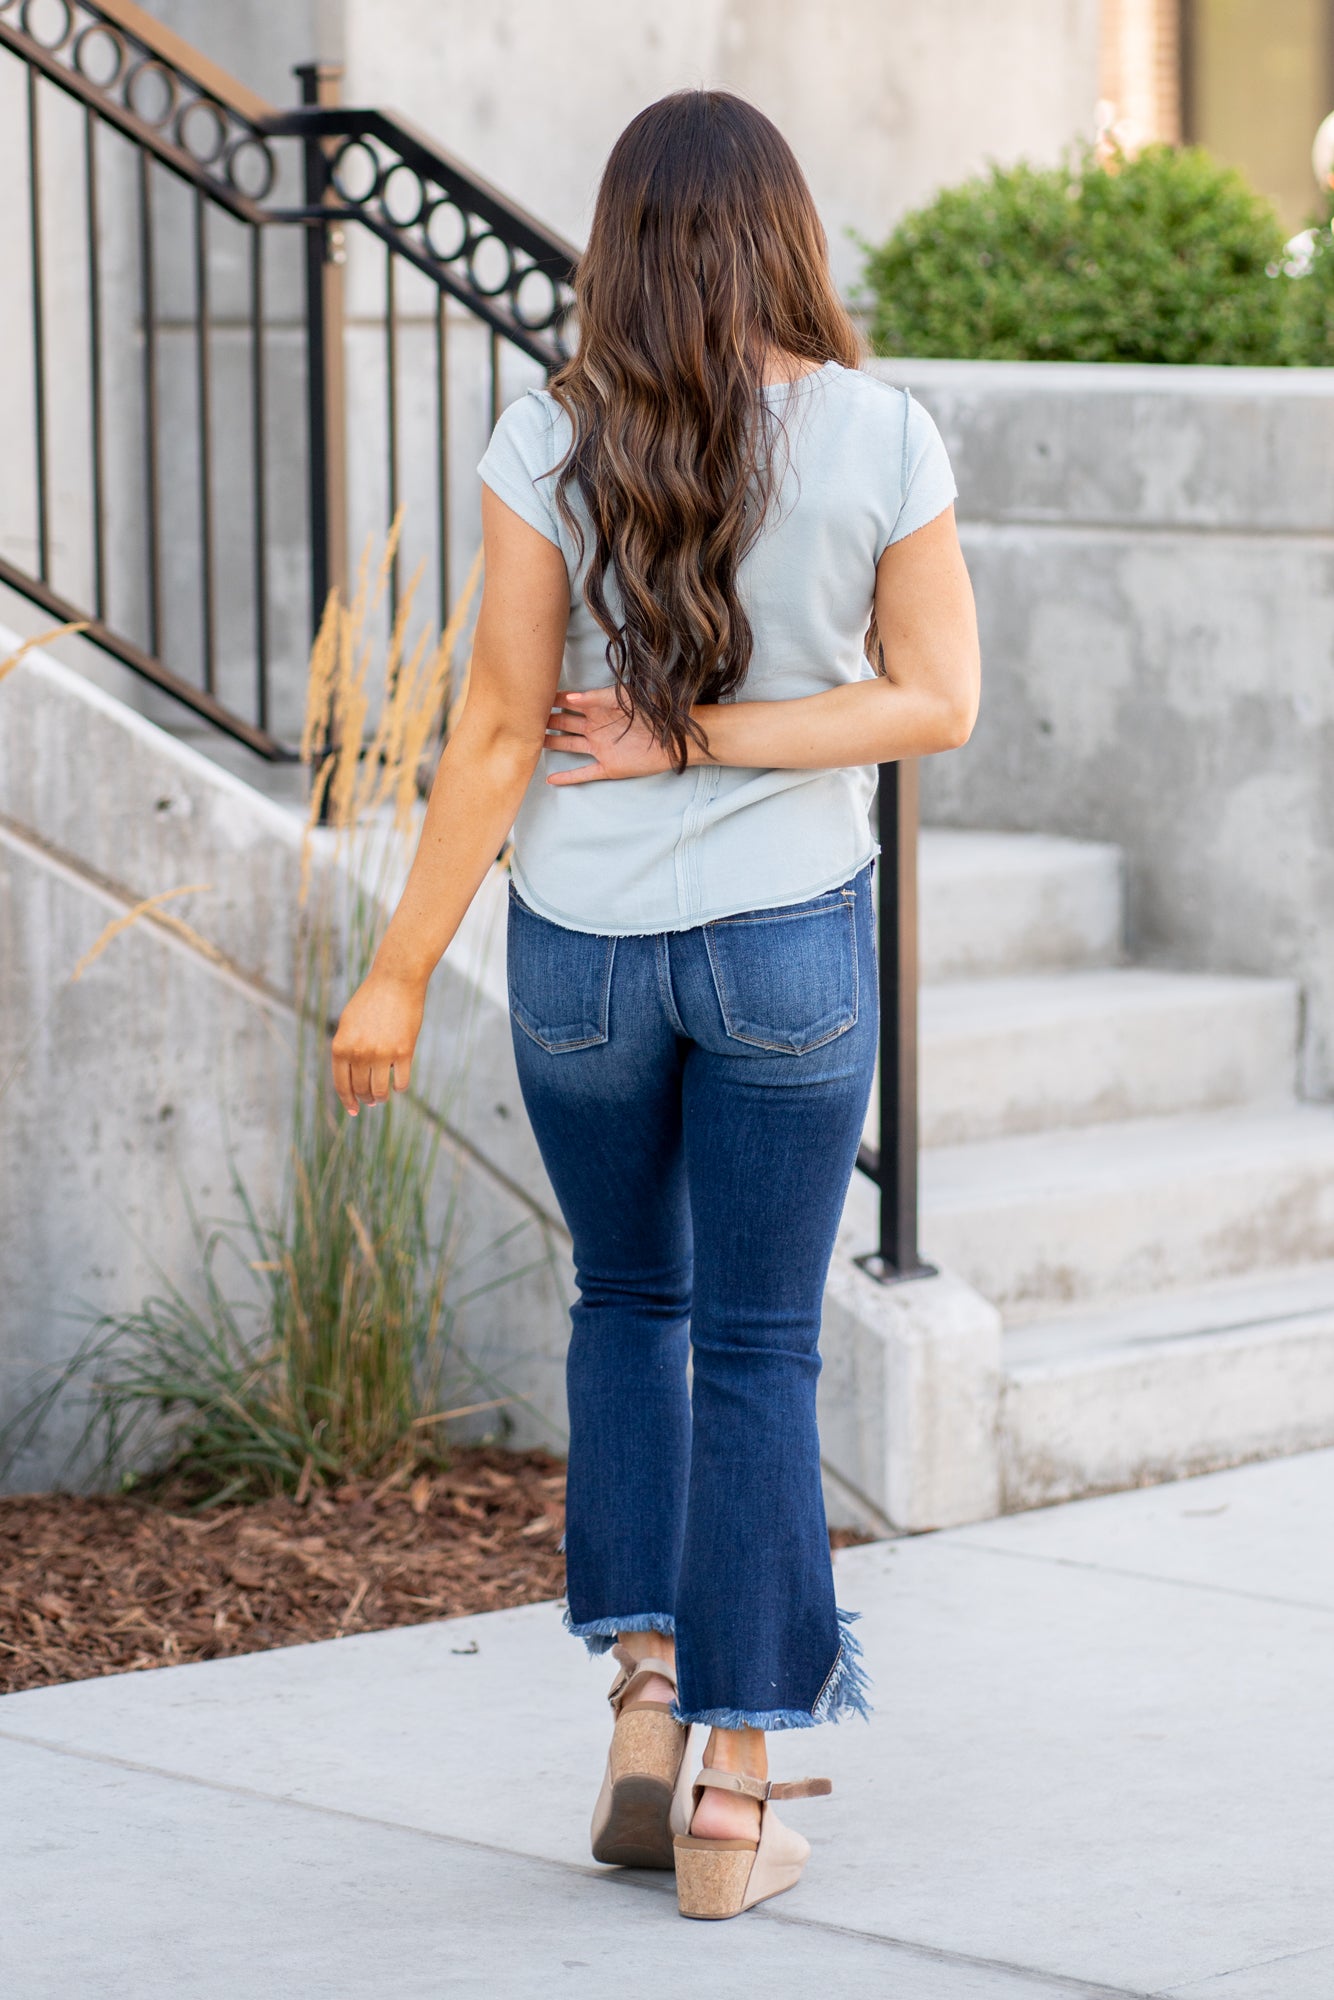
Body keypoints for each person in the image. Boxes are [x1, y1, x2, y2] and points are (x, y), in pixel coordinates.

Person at [330, 89, 979, 1921]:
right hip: (783, 938)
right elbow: (935, 701)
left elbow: (486, 732)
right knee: (763, 1348)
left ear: (615, 241)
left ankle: (643, 1696)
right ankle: (731, 1794)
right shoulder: (878, 433)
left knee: (631, 1299)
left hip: (583, 955)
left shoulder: (546, 433)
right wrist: (737, 740)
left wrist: (394, 973)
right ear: (785, 232)